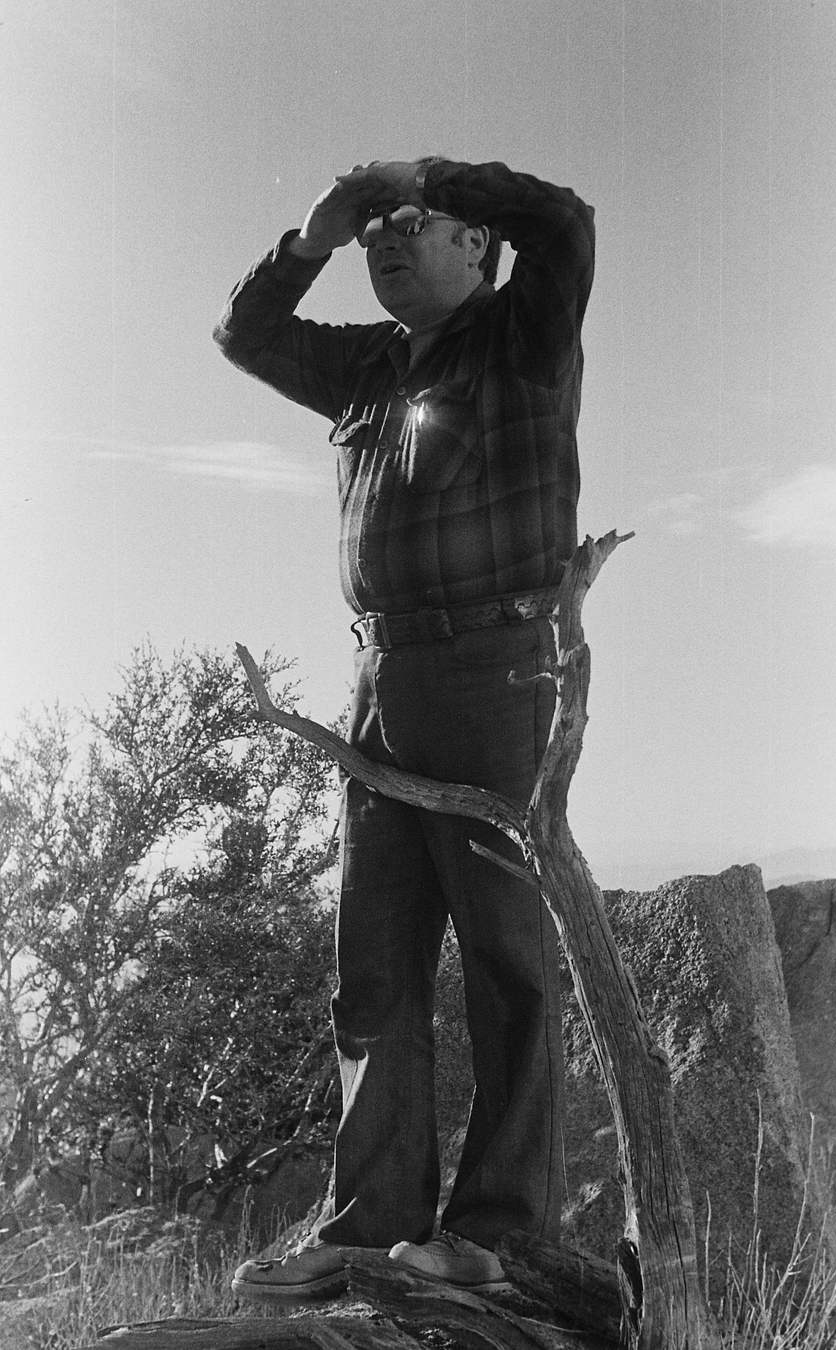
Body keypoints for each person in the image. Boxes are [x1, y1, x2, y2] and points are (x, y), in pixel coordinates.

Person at [214, 157, 595, 1303]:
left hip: (497, 672)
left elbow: (564, 221)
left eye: (412, 224)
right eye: (375, 229)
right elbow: (244, 335)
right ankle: (368, 1226)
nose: (386, 238)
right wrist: (314, 235)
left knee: (507, 965)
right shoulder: (367, 367)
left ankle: (498, 1238)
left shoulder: (524, 336)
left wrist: (431, 173)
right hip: (382, 677)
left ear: (476, 245)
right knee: (373, 968)